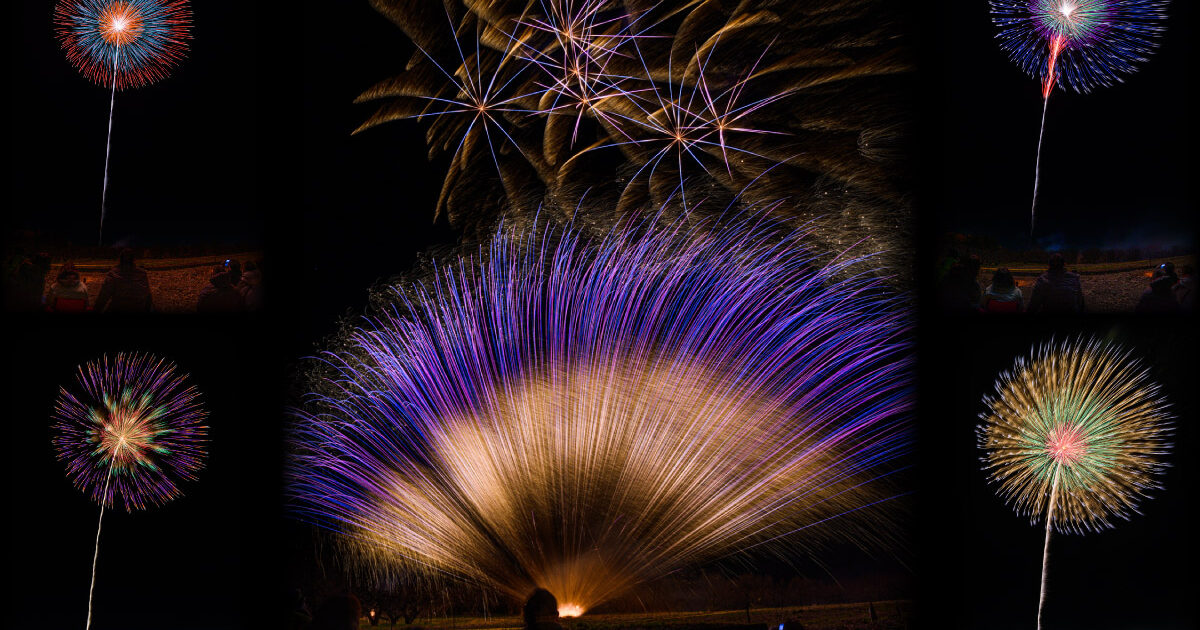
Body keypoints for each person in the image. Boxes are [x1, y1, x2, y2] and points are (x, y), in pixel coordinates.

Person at [94, 248, 153, 312]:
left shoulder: (113, 274)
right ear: (133, 259)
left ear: (120, 259)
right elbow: (148, 297)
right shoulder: (142, 274)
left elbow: (103, 296)